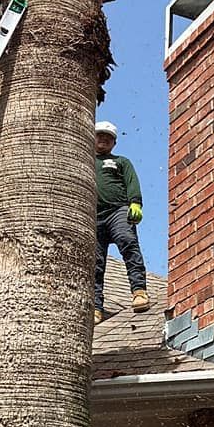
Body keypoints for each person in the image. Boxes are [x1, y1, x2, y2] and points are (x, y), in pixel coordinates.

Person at [95, 121, 150, 324]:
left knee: (128, 242)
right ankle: (96, 307)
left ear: (114, 143)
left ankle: (139, 292)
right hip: (93, 217)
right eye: (100, 135)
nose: (104, 139)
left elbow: (131, 181)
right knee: (95, 262)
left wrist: (135, 203)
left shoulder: (120, 161)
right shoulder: (84, 160)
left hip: (118, 211)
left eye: (108, 137)